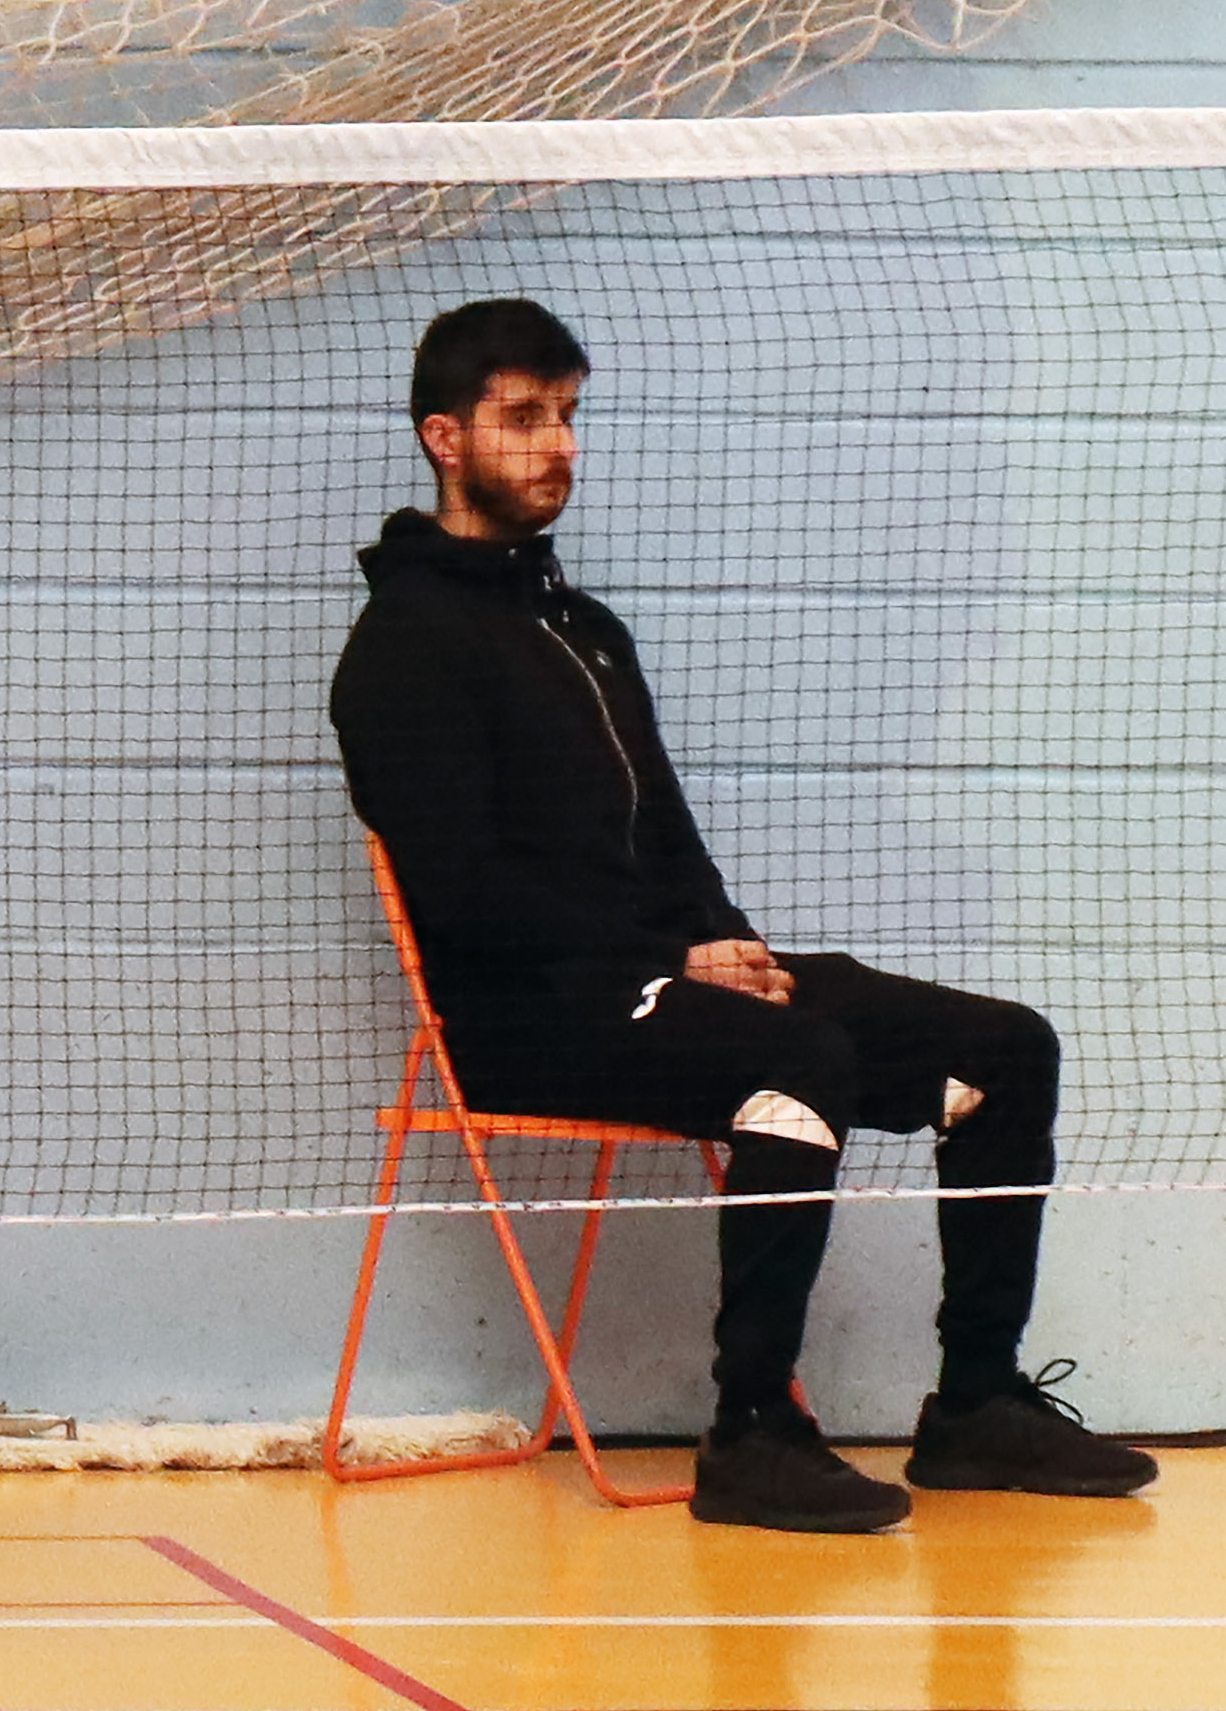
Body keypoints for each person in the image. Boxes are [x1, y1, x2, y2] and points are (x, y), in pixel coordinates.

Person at [328, 295, 1151, 1536]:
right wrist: (673, 958)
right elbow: (466, 895)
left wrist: (729, 949)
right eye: (519, 418)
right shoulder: (404, 643)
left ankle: (974, 1404)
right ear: (443, 439)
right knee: (800, 1058)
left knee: (1002, 1045)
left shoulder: (583, 630)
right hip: (526, 1016)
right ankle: (751, 1433)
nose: (553, 444)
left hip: (660, 984)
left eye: (565, 415)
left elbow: (666, 840)